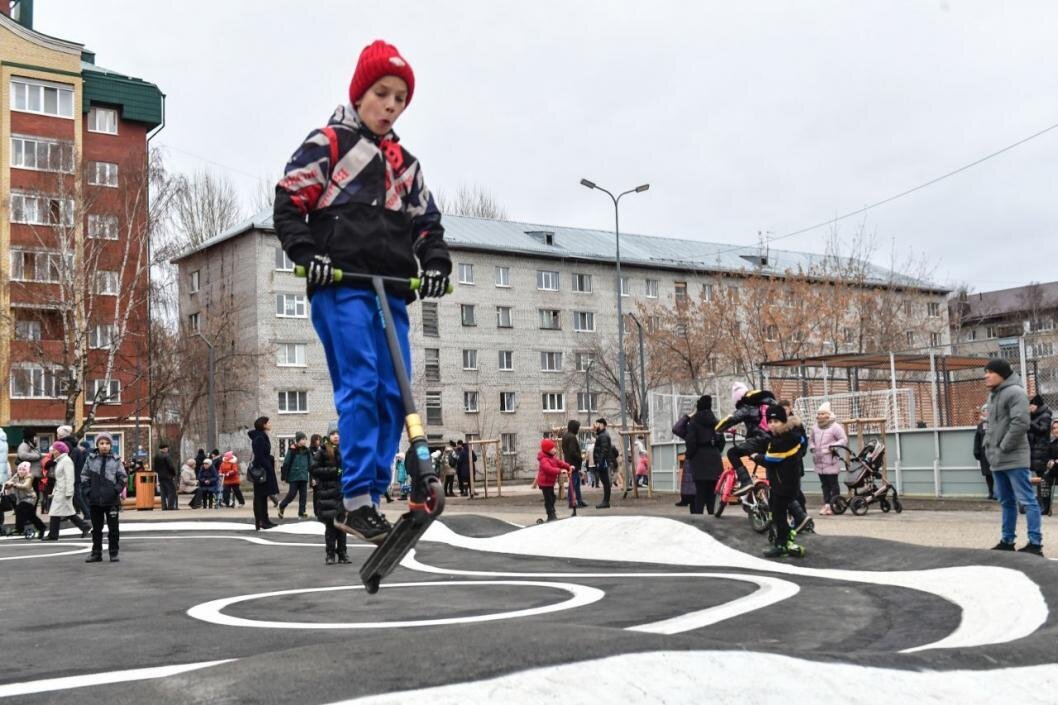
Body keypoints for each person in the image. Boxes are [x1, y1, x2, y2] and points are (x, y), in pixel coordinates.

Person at [274, 40, 450, 545]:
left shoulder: (404, 165)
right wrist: (310, 256)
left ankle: (375, 491)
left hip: (390, 290)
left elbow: (427, 225)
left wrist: (434, 262)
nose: (391, 105)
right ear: (360, 92)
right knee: (362, 385)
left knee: (397, 393)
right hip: (343, 287)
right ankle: (355, 496)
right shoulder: (327, 144)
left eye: (400, 98)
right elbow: (289, 204)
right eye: (382, 94)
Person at [983, 359, 1043, 555]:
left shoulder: (1016, 392)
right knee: (1006, 501)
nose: (986, 375)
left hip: (1014, 457)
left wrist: (1003, 446)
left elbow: (1021, 423)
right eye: (986, 372)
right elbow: (993, 426)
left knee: (1027, 500)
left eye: (990, 372)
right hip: (997, 458)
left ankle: (1035, 544)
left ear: (1002, 374)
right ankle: (1007, 541)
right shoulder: (993, 395)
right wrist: (990, 448)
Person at [755, 404, 808, 558]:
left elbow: (771, 459)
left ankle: (782, 543)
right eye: (770, 422)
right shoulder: (785, 436)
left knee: (778, 513)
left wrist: (756, 457)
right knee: (779, 512)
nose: (772, 425)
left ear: (783, 422)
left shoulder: (785, 439)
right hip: (783, 482)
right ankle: (786, 538)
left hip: (784, 484)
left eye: (776, 421)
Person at [716, 383, 778, 495]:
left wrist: (717, 429)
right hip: (775, 442)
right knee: (772, 473)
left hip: (759, 440)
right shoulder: (771, 403)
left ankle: (745, 481)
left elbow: (732, 418)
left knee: (732, 453)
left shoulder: (748, 405)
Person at [82, 432, 127, 563]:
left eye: (107, 443)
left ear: (111, 445)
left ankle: (113, 552)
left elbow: (122, 477)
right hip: (95, 500)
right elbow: (84, 476)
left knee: (113, 529)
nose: (104, 446)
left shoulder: (116, 459)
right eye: (101, 443)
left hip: (111, 501)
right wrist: (88, 491)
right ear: (97, 445)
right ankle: (96, 553)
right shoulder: (90, 459)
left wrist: (116, 490)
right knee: (96, 529)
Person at [312, 424, 350, 565]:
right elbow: (314, 469)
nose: (336, 436)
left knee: (342, 526)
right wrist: (334, 471)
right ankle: (330, 554)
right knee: (330, 527)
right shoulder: (322, 451)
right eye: (333, 433)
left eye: (338, 433)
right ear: (329, 436)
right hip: (327, 494)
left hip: (343, 494)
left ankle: (343, 554)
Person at [684, 395, 725, 515]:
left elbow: (691, 442)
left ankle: (699, 521)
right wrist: (716, 451)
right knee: (712, 494)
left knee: (699, 494)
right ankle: (712, 517)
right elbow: (722, 442)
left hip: (698, 460)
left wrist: (689, 455)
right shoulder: (716, 421)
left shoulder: (693, 422)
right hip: (714, 459)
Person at [42, 442, 90, 540]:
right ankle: (84, 526)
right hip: (60, 490)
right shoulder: (60, 460)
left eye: (54, 450)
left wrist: (69, 492)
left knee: (55, 512)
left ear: (59, 451)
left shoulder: (66, 461)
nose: (52, 452)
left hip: (64, 491)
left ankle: (53, 535)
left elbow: (69, 477)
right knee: (68, 512)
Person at [809, 402, 848, 514]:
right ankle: (826, 504)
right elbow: (811, 440)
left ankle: (834, 504)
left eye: (822, 414)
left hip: (830, 460)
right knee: (824, 484)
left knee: (833, 484)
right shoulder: (815, 427)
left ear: (828, 414)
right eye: (819, 414)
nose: (820, 416)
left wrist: (833, 447)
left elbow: (843, 440)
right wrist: (812, 448)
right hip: (819, 460)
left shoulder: (835, 426)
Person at [249, 416, 279, 530]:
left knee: (264, 495)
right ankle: (260, 521)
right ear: (263, 425)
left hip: (264, 469)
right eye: (268, 423)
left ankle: (265, 520)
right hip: (261, 471)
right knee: (259, 496)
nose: (270, 424)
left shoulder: (262, 436)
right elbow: (260, 456)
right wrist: (268, 466)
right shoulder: (259, 438)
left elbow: (263, 454)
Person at [1027, 394, 1053, 515]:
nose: (1028, 407)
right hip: (1035, 451)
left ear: (1035, 405)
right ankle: (1041, 504)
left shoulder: (1046, 415)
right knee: (1040, 479)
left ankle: (1045, 506)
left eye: (1030, 405)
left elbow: (1042, 430)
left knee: (1044, 480)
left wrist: (1029, 422)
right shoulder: (1034, 415)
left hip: (1042, 451)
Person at [5, 462, 44, 539]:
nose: (21, 471)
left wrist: (14, 484)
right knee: (31, 516)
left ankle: (19, 529)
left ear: (27, 470)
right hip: (21, 499)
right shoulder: (16, 476)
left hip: (30, 498)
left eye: (23, 469)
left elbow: (26, 486)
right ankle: (41, 528)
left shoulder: (29, 476)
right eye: (19, 469)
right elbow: (9, 484)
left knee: (19, 508)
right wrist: (7, 484)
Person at [279, 432, 312, 519]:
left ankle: (301, 512)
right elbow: (286, 463)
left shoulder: (307, 451)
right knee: (292, 494)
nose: (304, 441)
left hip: (304, 476)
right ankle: (282, 505)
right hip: (293, 476)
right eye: (302, 439)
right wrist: (283, 476)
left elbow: (311, 464)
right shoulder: (292, 450)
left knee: (303, 495)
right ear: (298, 440)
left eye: (305, 439)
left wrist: (313, 475)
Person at [536, 439, 571, 522]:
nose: (555, 450)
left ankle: (552, 513)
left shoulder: (552, 458)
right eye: (553, 448)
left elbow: (560, 463)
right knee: (549, 499)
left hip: (550, 483)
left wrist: (568, 466)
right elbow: (548, 469)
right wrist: (559, 470)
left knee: (552, 498)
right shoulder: (544, 460)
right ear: (547, 450)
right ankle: (550, 514)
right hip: (544, 483)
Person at [561, 420, 587, 509]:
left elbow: (565, 450)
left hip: (569, 462)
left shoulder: (565, 436)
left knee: (576, 483)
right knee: (573, 483)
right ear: (574, 428)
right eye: (577, 428)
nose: (578, 430)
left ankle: (579, 500)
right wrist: (580, 458)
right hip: (573, 463)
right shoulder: (572, 437)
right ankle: (572, 502)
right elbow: (572, 451)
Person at [671, 413, 696, 507]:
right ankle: (688, 499)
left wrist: (686, 417)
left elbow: (676, 429)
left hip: (692, 457)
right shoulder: (707, 426)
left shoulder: (689, 430)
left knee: (688, 480)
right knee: (689, 479)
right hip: (699, 458)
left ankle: (687, 499)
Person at [973, 404, 995, 500]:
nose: (986, 413)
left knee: (996, 473)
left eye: (988, 411)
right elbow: (977, 439)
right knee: (988, 474)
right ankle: (991, 492)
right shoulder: (980, 426)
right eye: (984, 411)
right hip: (984, 453)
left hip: (995, 453)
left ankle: (998, 493)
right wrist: (976, 451)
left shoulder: (996, 424)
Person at [16, 431, 43, 509]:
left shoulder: (32, 445)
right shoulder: (24, 445)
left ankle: (31, 514)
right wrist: (36, 456)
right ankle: (30, 514)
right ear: (30, 437)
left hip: (33, 475)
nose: (36, 438)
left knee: (35, 496)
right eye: (34, 436)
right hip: (29, 475)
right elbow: (22, 455)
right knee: (32, 496)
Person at [592, 418, 614, 509]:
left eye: (599, 424)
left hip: (603, 462)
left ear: (604, 425)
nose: (597, 425)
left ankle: (606, 501)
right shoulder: (601, 435)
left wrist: (600, 462)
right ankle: (605, 501)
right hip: (602, 461)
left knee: (605, 482)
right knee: (605, 482)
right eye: (597, 424)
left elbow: (604, 450)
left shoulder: (604, 435)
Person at [152, 442, 179, 510]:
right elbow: (171, 466)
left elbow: (155, 467)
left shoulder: (156, 456)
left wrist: (159, 472)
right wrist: (173, 474)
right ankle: (171, 506)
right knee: (171, 491)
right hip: (168, 476)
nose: (167, 449)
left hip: (160, 476)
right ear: (164, 449)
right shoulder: (167, 456)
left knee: (163, 492)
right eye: (167, 448)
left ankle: (164, 507)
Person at [1046, 420, 1058, 517]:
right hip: (1054, 472)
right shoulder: (1052, 444)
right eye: (1054, 428)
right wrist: (1050, 462)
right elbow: (1048, 459)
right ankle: (1046, 507)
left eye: (1057, 427)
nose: (1056, 430)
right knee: (1044, 479)